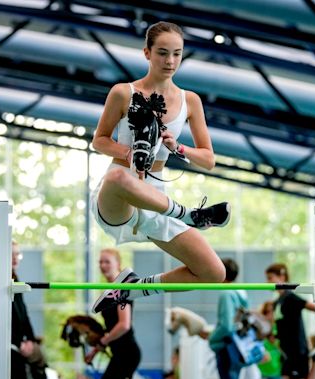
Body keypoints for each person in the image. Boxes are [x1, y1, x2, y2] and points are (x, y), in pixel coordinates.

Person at [90, 21, 229, 314]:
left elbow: (209, 159)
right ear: (147, 53)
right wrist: (128, 153)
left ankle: (131, 289)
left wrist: (177, 148)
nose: (170, 61)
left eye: (176, 54)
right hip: (119, 194)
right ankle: (189, 215)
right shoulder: (122, 92)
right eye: (163, 53)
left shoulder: (190, 100)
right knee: (117, 176)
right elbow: (99, 141)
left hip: (157, 197)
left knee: (214, 272)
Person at [95, 248, 141, 379]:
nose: (102, 265)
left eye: (107, 262)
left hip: (127, 353)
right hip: (119, 352)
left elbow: (124, 325)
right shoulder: (110, 291)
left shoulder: (121, 288)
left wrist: (104, 341)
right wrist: (94, 351)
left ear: (118, 264)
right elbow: (111, 327)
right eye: (100, 262)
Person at [265, 264, 315, 379]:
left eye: (270, 278)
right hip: (285, 354)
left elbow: (314, 307)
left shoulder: (290, 297)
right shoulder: (277, 302)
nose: (267, 282)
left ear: (282, 277)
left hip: (297, 353)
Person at [202, 258, 248, 379]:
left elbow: (227, 326)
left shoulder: (226, 294)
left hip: (226, 347)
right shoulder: (241, 292)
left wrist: (212, 337)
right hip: (238, 345)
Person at [11, 241, 48, 379]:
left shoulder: (16, 279)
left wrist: (31, 341)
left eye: (17, 254)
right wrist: (19, 343)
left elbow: (23, 314)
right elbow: (2, 320)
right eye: (11, 254)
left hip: (20, 344)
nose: (15, 258)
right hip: (10, 345)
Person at [258, 301, 283, 379]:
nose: (270, 314)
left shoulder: (279, 328)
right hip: (261, 371)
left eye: (272, 311)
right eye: (266, 312)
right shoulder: (259, 329)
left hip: (277, 371)